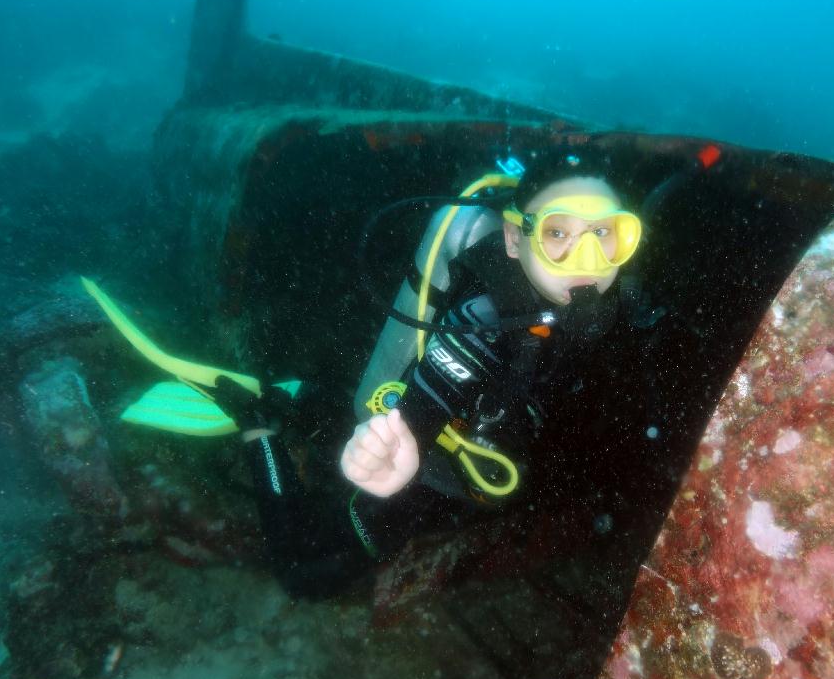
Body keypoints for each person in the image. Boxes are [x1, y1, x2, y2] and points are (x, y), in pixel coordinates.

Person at [213, 147, 644, 597]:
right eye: (558, 233)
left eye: (604, 232)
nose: (589, 259)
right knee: (306, 575)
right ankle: (259, 429)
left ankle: (300, 399)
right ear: (515, 240)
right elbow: (422, 407)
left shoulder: (618, 300)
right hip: (436, 470)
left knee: (337, 426)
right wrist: (402, 459)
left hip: (496, 461)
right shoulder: (484, 324)